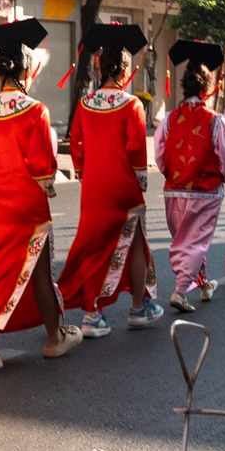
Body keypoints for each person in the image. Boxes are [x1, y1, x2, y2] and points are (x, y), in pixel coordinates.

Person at [0, 19, 81, 370]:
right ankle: (55, 339)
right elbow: (43, 168)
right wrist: (48, 186)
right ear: (27, 72)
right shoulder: (36, 111)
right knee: (39, 273)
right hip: (27, 208)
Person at [57, 32, 160, 336]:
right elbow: (136, 149)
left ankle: (92, 314)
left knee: (93, 245)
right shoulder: (131, 105)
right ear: (125, 71)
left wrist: (83, 172)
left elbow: (76, 143)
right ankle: (139, 307)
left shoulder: (86, 104)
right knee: (136, 240)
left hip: (94, 188)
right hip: (122, 185)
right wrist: (141, 181)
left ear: (101, 68)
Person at [155, 60, 225, 313]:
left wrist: (172, 173)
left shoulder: (170, 119)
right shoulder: (214, 119)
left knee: (188, 238)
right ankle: (180, 290)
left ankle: (203, 284)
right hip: (205, 189)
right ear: (207, 88)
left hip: (175, 189)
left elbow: (159, 154)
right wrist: (222, 175)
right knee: (196, 240)